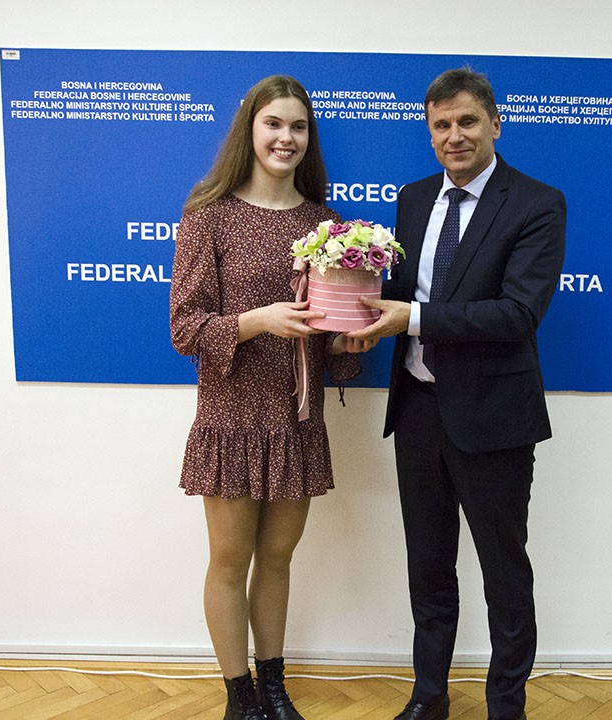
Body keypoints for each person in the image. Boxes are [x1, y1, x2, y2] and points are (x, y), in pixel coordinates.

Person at [348, 67, 567, 720]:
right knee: (428, 567)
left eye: (467, 121)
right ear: (429, 132)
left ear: (495, 124)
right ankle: (429, 696)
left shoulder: (537, 203)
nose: (454, 135)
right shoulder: (414, 198)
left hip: (494, 419)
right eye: (441, 125)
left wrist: (410, 318)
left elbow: (518, 313)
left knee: (503, 573)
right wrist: (350, 316)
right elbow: (398, 294)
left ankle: (506, 707)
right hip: (417, 410)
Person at [170, 75, 374, 720]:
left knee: (279, 559)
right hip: (232, 414)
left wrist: (348, 342)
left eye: (299, 127)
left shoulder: (326, 224)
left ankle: (275, 686)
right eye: (274, 124)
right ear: (250, 131)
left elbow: (328, 334)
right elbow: (185, 329)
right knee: (230, 561)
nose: (287, 138)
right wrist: (258, 320)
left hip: (296, 416)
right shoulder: (210, 216)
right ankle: (240, 697)